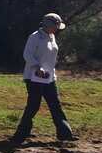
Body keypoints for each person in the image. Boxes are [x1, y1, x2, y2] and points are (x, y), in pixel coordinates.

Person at [11, 12, 75, 143]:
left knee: (55, 105)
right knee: (33, 105)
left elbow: (50, 57)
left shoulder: (52, 36)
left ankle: (65, 135)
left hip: (49, 77)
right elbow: (27, 55)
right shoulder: (34, 37)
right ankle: (21, 135)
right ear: (49, 25)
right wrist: (37, 67)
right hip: (33, 77)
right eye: (56, 26)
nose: (57, 29)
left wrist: (52, 73)